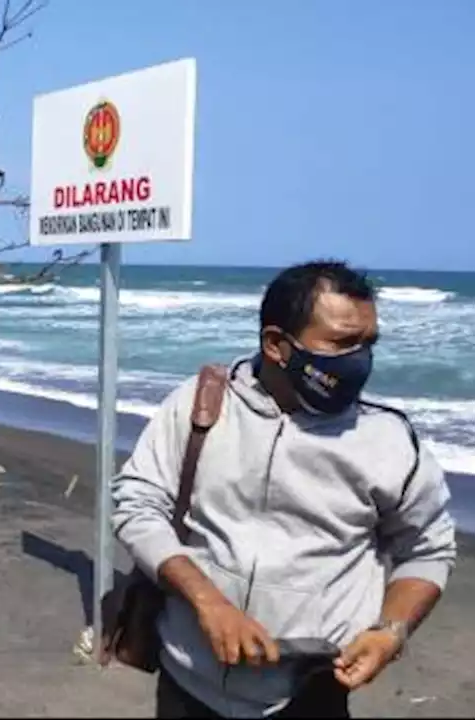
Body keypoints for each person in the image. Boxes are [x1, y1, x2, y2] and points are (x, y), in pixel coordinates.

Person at [112, 260, 456, 719]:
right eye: (341, 342)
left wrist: (390, 631)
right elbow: (138, 502)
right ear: (277, 345)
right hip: (187, 682)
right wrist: (207, 600)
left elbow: (428, 550)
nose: (359, 360)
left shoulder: (389, 441)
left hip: (309, 694)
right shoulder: (201, 405)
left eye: (367, 343)